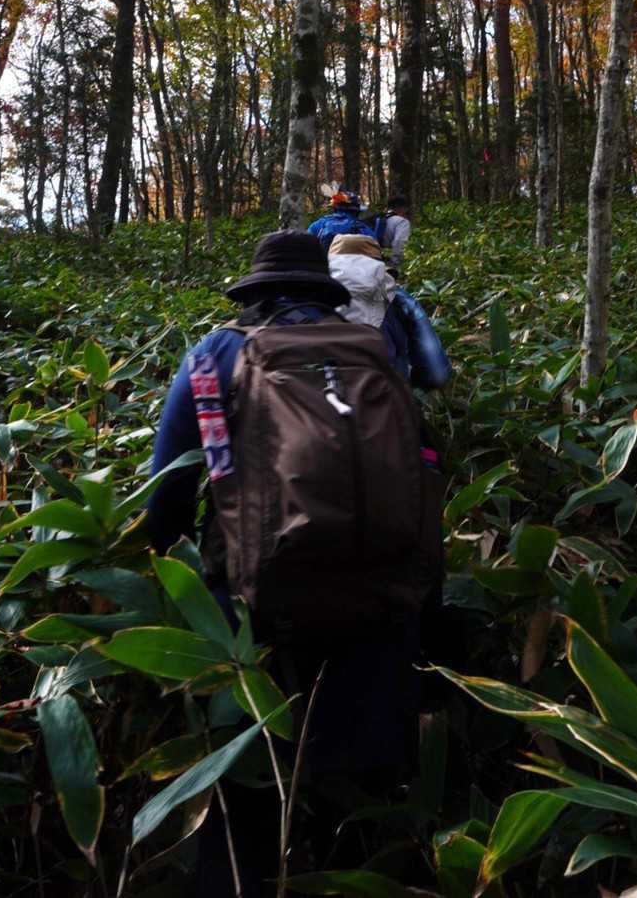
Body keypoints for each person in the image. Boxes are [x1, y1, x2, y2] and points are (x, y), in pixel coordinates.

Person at [146, 231, 443, 896]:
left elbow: (168, 492)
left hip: (258, 610)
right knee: (368, 797)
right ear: (326, 290)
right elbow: (425, 467)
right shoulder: (374, 350)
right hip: (381, 600)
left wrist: (163, 570)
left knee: (247, 792)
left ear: (253, 294)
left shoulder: (213, 355)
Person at [327, 233, 451, 390]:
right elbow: (436, 374)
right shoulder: (399, 298)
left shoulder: (312, 295)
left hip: (324, 395)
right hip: (386, 393)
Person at [306, 188, 378, 250]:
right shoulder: (361, 227)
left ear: (334, 208)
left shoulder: (319, 224)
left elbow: (307, 245)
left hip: (324, 261)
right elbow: (375, 246)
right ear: (356, 211)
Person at [374, 194, 412, 274]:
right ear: (403, 208)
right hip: (387, 263)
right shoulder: (402, 222)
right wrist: (396, 264)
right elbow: (399, 243)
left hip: (371, 259)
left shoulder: (378, 218)